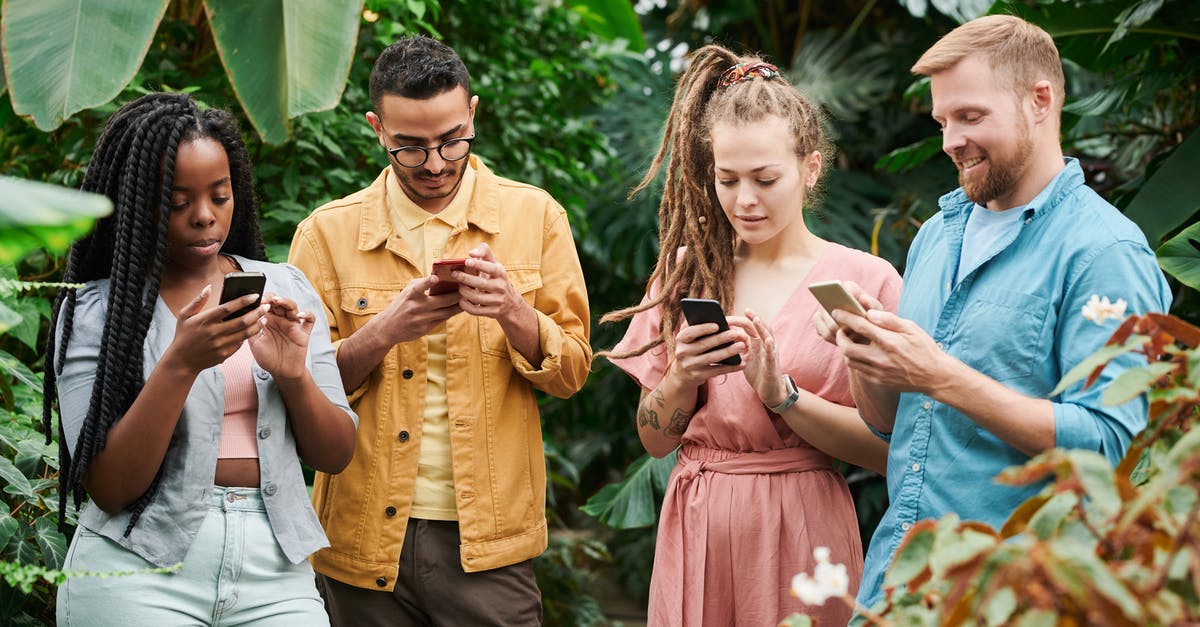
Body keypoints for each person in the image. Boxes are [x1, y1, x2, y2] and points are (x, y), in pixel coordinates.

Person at [811, 15, 1174, 613]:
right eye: (943, 121)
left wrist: (939, 375)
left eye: (971, 116)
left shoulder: (1106, 253)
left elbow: (1114, 450)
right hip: (898, 586)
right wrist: (869, 358)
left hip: (1019, 598)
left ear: (1040, 101)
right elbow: (893, 428)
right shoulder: (935, 236)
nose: (951, 139)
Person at [287, 35, 591, 625]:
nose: (435, 163)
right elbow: (295, 395)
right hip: (360, 538)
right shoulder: (325, 234)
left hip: (489, 546)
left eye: (453, 140)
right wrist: (382, 332)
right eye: (411, 146)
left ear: (472, 112)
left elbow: (574, 372)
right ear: (377, 129)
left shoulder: (536, 217)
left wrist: (513, 312)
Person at [602, 44, 903, 626]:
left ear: (811, 168)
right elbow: (655, 439)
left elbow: (894, 452)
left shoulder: (865, 281)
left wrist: (783, 397)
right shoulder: (688, 270)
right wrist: (683, 377)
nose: (744, 200)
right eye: (727, 178)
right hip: (699, 522)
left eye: (766, 179)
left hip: (803, 524)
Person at [43, 92, 358, 625]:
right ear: (137, 200)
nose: (205, 217)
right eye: (177, 202)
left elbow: (335, 453)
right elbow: (111, 487)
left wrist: (293, 376)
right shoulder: (97, 309)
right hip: (138, 569)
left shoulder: (285, 287)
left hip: (274, 565)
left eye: (220, 195)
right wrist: (180, 363)